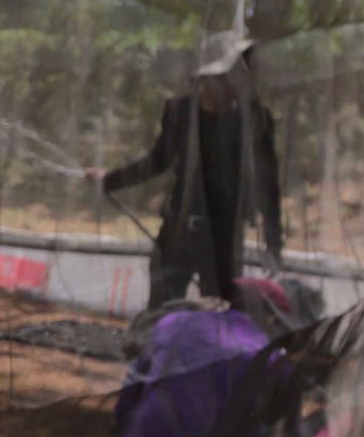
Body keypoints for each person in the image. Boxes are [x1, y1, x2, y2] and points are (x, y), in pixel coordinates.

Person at [86, 32, 283, 310]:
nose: (236, 81)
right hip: (180, 231)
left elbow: (268, 184)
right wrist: (109, 180)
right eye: (228, 74)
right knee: (162, 313)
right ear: (208, 79)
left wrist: (274, 244)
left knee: (223, 317)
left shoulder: (254, 120)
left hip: (225, 241)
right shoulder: (181, 113)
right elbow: (157, 161)